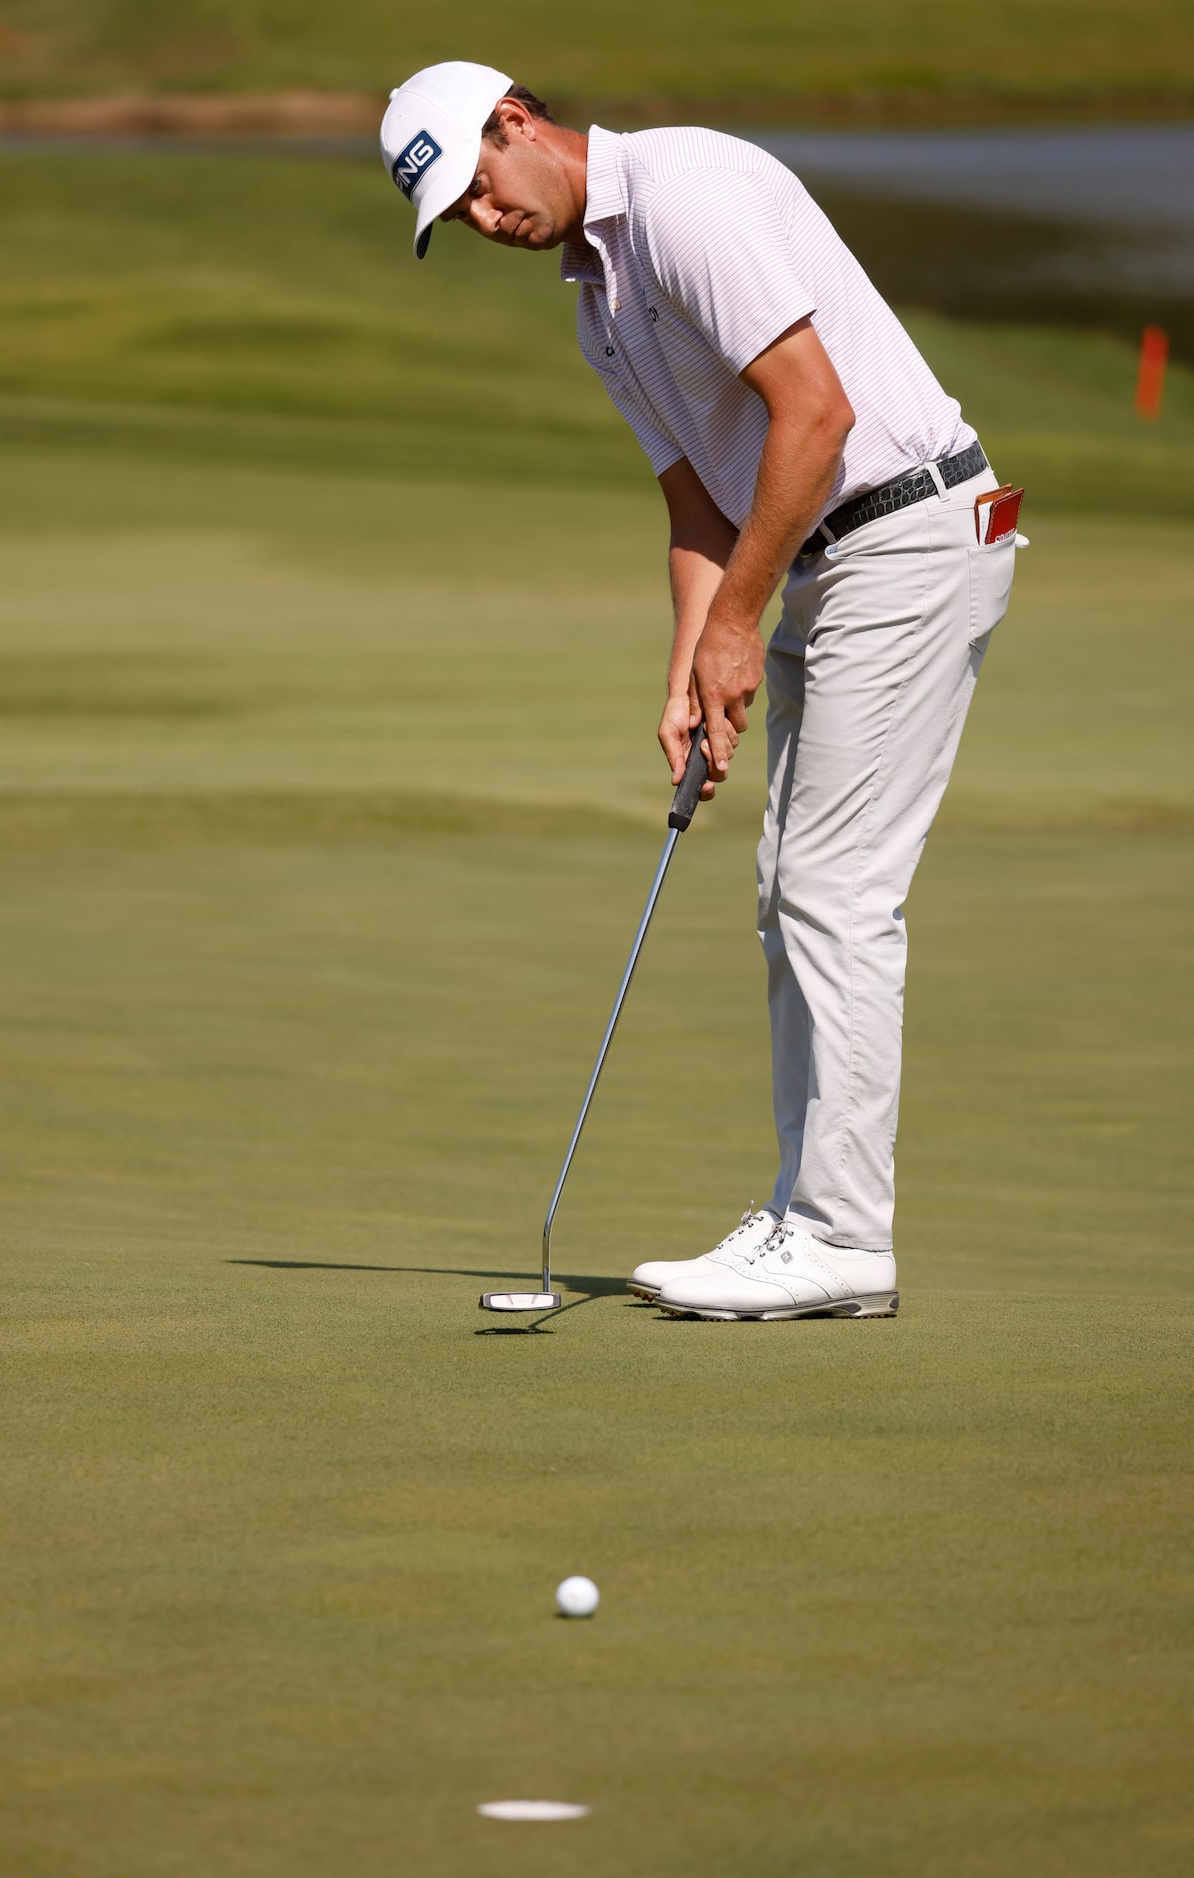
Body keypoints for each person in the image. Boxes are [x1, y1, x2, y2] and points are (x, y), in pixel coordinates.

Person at [379, 63, 1018, 1323]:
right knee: (796, 888)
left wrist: (737, 624)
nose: (485, 222)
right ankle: (809, 1214)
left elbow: (817, 418)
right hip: (825, 557)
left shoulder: (684, 193)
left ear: (516, 123)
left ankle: (838, 1234)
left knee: (832, 888)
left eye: (478, 188)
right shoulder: (598, 304)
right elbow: (697, 501)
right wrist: (689, 671)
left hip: (907, 527)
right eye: (455, 220)